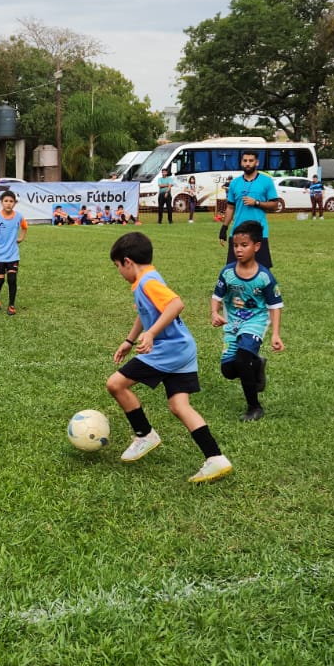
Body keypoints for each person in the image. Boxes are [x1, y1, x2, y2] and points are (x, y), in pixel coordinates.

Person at [105, 231, 231, 484]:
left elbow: (176, 304)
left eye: (118, 266)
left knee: (115, 384)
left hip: (169, 349)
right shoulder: (148, 279)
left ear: (128, 262)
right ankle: (215, 458)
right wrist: (130, 340)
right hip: (184, 348)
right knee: (179, 406)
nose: (119, 271)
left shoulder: (148, 282)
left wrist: (151, 334)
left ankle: (144, 435)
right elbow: (145, 312)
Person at [211, 221, 285, 422]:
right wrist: (214, 313)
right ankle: (256, 364)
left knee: (242, 357)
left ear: (257, 246)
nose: (238, 250)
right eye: (235, 245)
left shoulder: (264, 277)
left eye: (244, 245)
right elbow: (217, 296)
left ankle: (254, 407)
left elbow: (275, 305)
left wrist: (275, 334)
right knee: (228, 370)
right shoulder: (227, 272)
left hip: (256, 321)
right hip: (232, 323)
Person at [221, 150, 279, 268]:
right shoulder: (234, 183)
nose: (247, 163)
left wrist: (256, 203)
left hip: (259, 233)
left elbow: (275, 205)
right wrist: (224, 228)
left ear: (257, 162)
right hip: (237, 233)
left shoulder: (266, 181)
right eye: (245, 161)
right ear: (241, 162)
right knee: (233, 270)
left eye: (251, 161)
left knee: (262, 271)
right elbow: (230, 207)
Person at [0, 191, 27, 314]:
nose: (8, 204)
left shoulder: (19, 217)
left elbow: (25, 227)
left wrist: (21, 238)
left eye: (11, 201)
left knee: (12, 279)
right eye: (6, 201)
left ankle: (11, 306)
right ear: (1, 203)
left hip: (13, 255)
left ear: (14, 203)